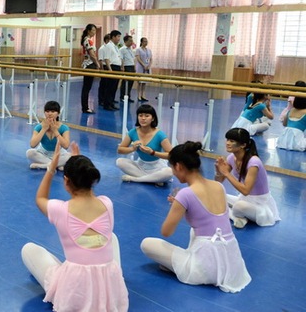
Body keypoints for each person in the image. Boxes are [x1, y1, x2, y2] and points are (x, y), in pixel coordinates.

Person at [21, 142, 129, 312]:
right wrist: (77, 159)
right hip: (109, 285)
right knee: (111, 237)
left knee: (29, 249)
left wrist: (51, 167)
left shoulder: (60, 209)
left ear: (66, 181)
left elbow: (40, 198)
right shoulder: (107, 203)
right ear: (92, 180)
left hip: (74, 289)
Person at [140, 141, 251, 293]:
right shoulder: (218, 186)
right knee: (198, 231)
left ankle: (181, 266)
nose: (173, 172)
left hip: (204, 267)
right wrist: (183, 206)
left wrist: (177, 207)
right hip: (231, 264)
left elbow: (166, 232)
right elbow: (206, 216)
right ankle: (182, 263)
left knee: (147, 244)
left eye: (172, 168)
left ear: (178, 166)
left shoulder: (185, 194)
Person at [215, 128, 281, 228]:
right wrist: (218, 171)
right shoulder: (231, 158)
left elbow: (245, 190)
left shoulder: (254, 162)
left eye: (232, 141)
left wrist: (227, 173)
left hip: (260, 204)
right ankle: (238, 218)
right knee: (215, 196)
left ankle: (236, 216)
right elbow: (218, 183)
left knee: (238, 207)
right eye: (227, 140)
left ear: (243, 145)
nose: (227, 143)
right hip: (245, 199)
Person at [116, 104, 173, 184]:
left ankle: (136, 179)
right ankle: (153, 179)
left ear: (153, 118)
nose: (143, 118)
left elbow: (171, 155)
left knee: (169, 172)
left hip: (157, 167)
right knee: (120, 161)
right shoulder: (133, 132)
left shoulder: (160, 134)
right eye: (140, 115)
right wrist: (132, 148)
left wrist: (152, 152)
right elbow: (120, 150)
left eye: (147, 116)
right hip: (141, 165)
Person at [27, 101, 71, 170]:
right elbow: (32, 144)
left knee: (70, 156)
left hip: (59, 153)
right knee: (29, 153)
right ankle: (56, 165)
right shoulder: (39, 127)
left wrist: (55, 131)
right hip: (43, 153)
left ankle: (43, 165)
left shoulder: (64, 128)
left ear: (58, 113)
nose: (49, 114)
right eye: (47, 111)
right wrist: (43, 129)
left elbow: (66, 146)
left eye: (53, 111)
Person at [80, 23, 100, 114]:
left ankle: (85, 107)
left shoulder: (88, 40)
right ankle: (85, 107)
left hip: (89, 64)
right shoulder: (87, 40)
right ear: (88, 31)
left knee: (87, 87)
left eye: (95, 30)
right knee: (86, 88)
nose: (94, 32)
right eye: (93, 30)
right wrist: (97, 64)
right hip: (89, 64)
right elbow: (92, 54)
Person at [103, 30, 122, 111]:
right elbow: (107, 58)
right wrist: (110, 70)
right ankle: (107, 104)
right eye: (118, 37)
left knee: (114, 87)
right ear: (113, 37)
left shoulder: (115, 46)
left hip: (117, 68)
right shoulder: (109, 46)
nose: (119, 39)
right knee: (109, 87)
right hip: (112, 67)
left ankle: (111, 103)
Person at [119, 35, 136, 103]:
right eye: (130, 41)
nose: (132, 42)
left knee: (131, 83)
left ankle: (128, 96)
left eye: (132, 40)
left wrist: (134, 67)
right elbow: (121, 58)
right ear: (126, 41)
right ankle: (122, 96)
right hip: (126, 67)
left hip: (131, 66)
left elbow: (132, 59)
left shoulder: (130, 49)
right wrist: (122, 67)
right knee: (124, 82)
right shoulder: (122, 49)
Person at [135, 37, 152, 102]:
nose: (146, 42)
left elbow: (151, 59)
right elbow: (138, 58)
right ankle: (139, 95)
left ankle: (143, 95)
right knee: (140, 82)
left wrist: (149, 65)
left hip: (147, 67)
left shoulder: (149, 50)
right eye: (144, 41)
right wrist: (143, 65)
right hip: (140, 67)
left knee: (144, 82)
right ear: (141, 42)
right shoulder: (138, 50)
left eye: (146, 41)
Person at [97, 33, 111, 108]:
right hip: (104, 66)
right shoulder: (102, 48)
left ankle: (106, 99)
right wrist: (101, 69)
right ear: (106, 40)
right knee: (103, 84)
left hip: (108, 65)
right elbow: (100, 60)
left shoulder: (109, 48)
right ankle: (101, 100)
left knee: (107, 85)